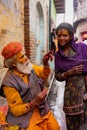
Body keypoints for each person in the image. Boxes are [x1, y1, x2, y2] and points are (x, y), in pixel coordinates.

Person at [1, 41, 60, 130]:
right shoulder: (9, 83)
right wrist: (34, 102)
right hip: (25, 116)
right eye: (22, 57)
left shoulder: (29, 67)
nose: (26, 58)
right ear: (13, 63)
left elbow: (44, 73)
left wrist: (45, 63)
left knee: (55, 127)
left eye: (24, 55)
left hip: (42, 108)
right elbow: (16, 110)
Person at [55, 22, 87, 130]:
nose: (61, 38)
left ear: (71, 36)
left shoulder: (82, 48)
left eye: (65, 35)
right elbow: (58, 76)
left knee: (83, 124)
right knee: (71, 125)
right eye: (59, 35)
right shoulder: (59, 55)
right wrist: (69, 72)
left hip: (84, 94)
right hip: (70, 96)